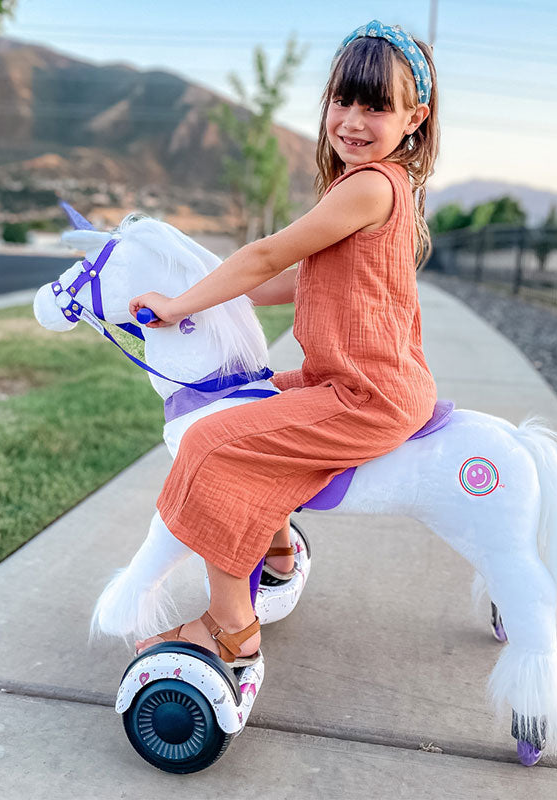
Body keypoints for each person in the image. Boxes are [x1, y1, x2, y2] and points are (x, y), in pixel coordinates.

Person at [130, 20, 439, 665]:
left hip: (365, 395)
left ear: (414, 118)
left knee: (211, 442)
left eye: (376, 105)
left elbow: (268, 254)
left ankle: (230, 629)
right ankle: (274, 550)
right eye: (341, 101)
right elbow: (304, 281)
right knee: (240, 404)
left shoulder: (370, 185)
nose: (352, 120)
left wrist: (181, 302)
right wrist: (217, 301)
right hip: (367, 382)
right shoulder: (384, 187)